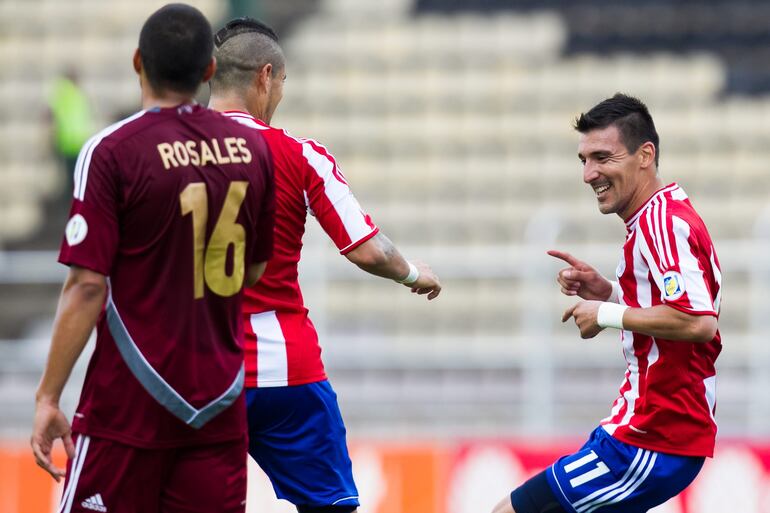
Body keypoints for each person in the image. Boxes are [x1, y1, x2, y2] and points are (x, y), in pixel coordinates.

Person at [30, 4, 275, 513]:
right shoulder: (252, 150)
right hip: (218, 405)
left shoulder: (112, 151)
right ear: (209, 71)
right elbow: (254, 270)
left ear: (138, 62)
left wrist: (49, 397)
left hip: (128, 409)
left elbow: (87, 286)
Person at [208, 18, 442, 513]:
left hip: (196, 370)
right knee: (330, 506)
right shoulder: (298, 154)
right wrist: (414, 274)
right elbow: (367, 248)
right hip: (285, 372)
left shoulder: (165, 153)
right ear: (265, 77)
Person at [493, 94, 722, 513]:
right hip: (645, 430)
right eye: (583, 159)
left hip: (652, 436)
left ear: (644, 155)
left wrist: (606, 314)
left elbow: (698, 320)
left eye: (602, 157)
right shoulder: (660, 216)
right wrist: (610, 293)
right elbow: (673, 307)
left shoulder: (660, 222)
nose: (588, 174)